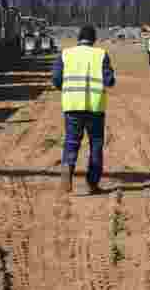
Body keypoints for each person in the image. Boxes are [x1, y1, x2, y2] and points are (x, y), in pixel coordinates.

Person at [52, 25, 116, 195]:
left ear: (78, 38)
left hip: (72, 106)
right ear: (94, 39)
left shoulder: (66, 54)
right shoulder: (101, 55)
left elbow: (56, 79)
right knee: (96, 144)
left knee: (71, 142)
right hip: (95, 107)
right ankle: (92, 184)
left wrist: (66, 88)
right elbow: (109, 80)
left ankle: (67, 172)